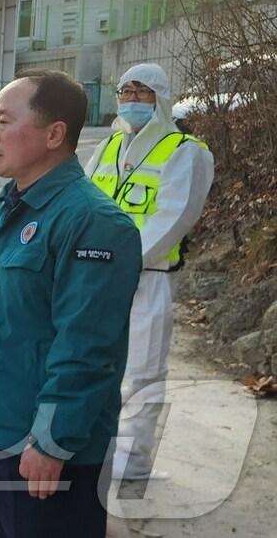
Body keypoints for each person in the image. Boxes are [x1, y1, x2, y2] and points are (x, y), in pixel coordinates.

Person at [0, 70, 141, 538]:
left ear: (54, 134)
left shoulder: (93, 224)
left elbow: (88, 348)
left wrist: (52, 442)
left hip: (44, 449)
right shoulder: (11, 205)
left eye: (4, 121)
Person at [83, 63, 213, 484]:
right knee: (92, 366)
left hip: (148, 276)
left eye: (142, 92)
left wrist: (122, 263)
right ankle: (93, 450)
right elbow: (81, 202)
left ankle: (132, 462)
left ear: (161, 97)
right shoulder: (107, 147)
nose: (133, 101)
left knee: (141, 373)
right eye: (125, 92)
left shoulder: (185, 151)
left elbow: (174, 217)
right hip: (96, 277)